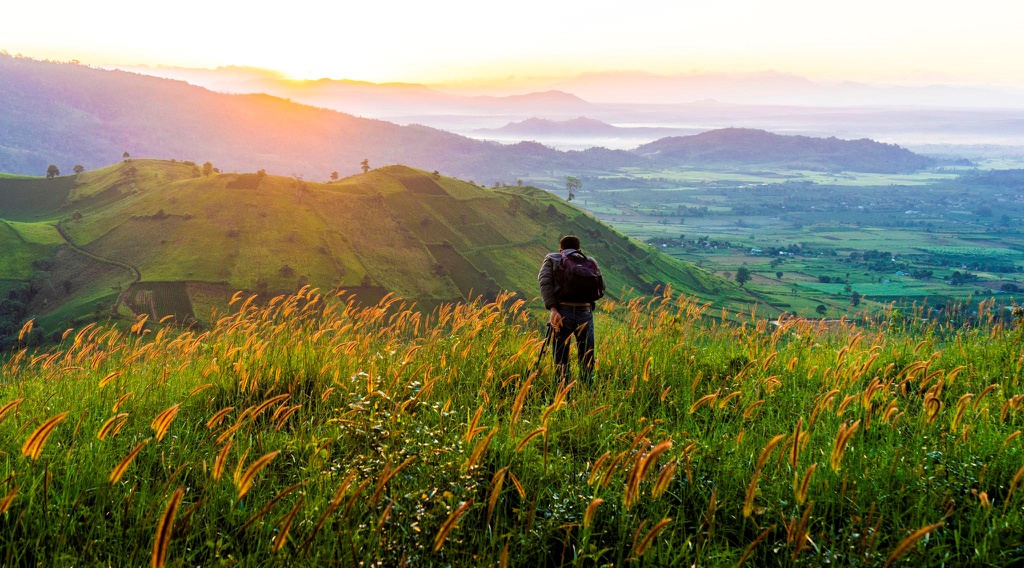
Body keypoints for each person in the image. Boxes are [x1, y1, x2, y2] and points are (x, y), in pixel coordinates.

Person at [538, 235, 605, 382]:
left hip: (562, 313)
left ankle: (562, 390)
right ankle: (586, 390)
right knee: (587, 355)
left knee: (561, 356)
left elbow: (545, 282)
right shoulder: (590, 262)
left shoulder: (553, 258)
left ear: (560, 249)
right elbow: (601, 287)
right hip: (585, 313)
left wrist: (552, 309)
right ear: (579, 249)